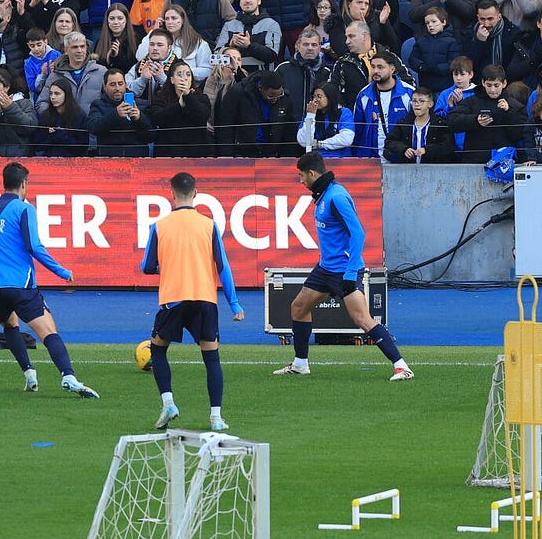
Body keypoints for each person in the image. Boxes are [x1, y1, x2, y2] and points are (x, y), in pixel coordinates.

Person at [273, 152, 414, 381]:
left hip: (343, 270)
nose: (300, 181)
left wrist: (350, 272)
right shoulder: (323, 194)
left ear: (312, 173)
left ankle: (401, 366)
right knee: (298, 307)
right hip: (325, 268)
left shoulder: (336, 196)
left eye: (301, 176)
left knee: (362, 320)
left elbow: (358, 232)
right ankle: (300, 364)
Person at [0, 161, 99, 398]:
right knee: (48, 331)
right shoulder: (24, 208)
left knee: (10, 325)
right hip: (19, 286)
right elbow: (34, 246)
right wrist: (62, 271)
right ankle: (68, 376)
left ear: (4, 183)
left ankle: (29, 374)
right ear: (24, 184)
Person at [140, 171, 245, 432]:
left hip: (173, 300)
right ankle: (216, 417)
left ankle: (168, 403)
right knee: (211, 358)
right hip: (204, 300)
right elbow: (224, 267)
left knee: (158, 350)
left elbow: (146, 266)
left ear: (172, 194)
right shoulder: (209, 225)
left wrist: (165, 266)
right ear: (196, 194)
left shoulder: (159, 226)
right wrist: (235, 304)